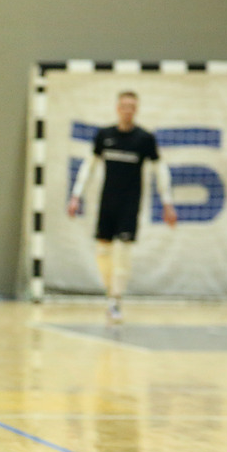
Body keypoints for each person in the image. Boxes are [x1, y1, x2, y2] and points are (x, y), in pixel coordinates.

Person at [68, 90, 176, 323]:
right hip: (107, 202)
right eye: (124, 106)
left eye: (132, 107)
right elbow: (89, 166)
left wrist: (167, 202)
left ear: (136, 110)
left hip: (130, 203)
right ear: (117, 108)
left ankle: (116, 300)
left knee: (124, 251)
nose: (127, 110)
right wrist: (76, 195)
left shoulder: (144, 139)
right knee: (103, 251)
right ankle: (110, 292)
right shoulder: (104, 135)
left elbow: (159, 169)